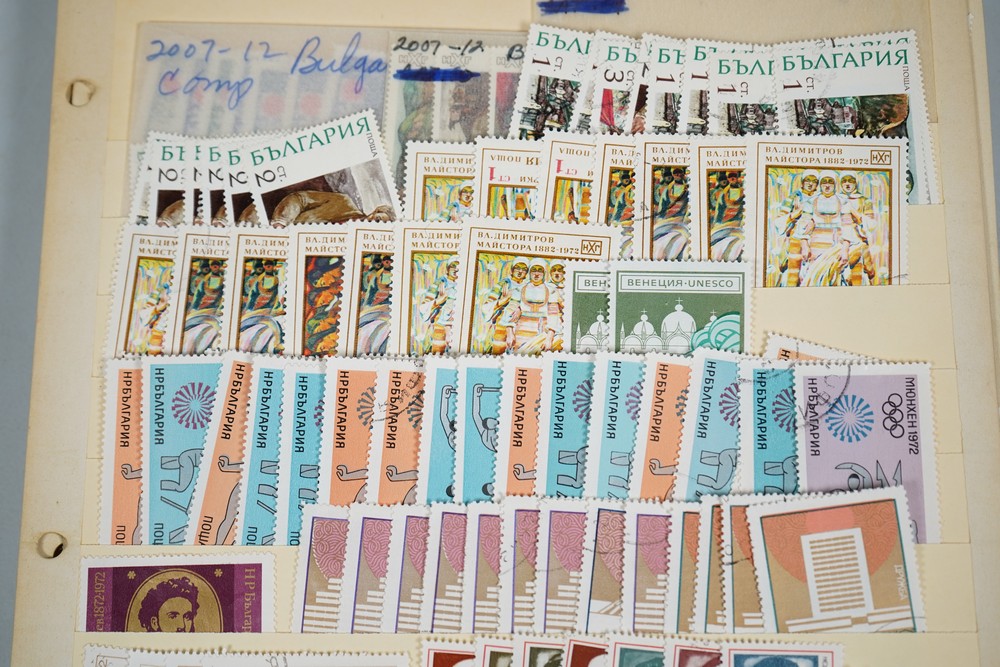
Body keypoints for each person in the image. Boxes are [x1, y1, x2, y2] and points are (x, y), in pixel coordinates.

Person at [652, 165, 690, 260]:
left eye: (679, 172)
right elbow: (662, 207)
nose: (678, 175)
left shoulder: (688, 190)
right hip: (666, 220)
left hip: (681, 221)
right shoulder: (667, 190)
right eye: (675, 173)